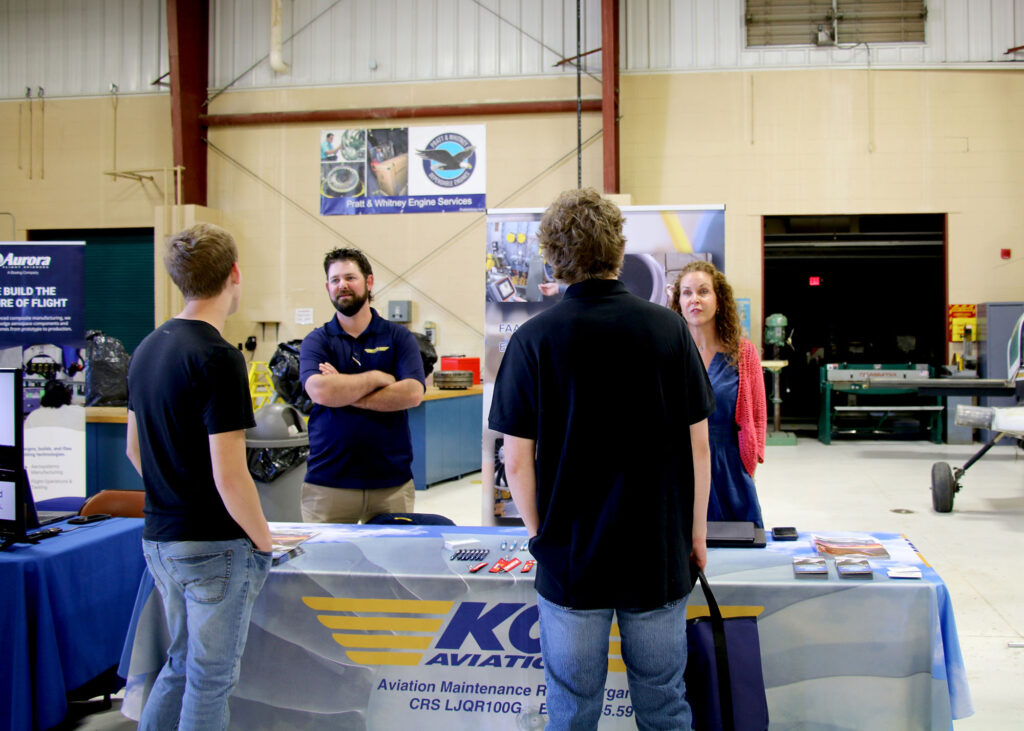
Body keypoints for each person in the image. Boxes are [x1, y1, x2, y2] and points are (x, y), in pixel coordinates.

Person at [488, 188, 714, 730]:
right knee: (663, 702)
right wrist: (696, 534)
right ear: (618, 250)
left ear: (554, 257)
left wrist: (542, 534)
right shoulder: (668, 330)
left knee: (571, 708)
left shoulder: (532, 340)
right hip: (657, 553)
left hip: (571, 559)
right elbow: (699, 445)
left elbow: (515, 461)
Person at [125, 223, 273, 730]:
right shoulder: (218, 357)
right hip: (212, 546)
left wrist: (173, 492)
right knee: (211, 677)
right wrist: (264, 542)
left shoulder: (147, 348)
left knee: (181, 662)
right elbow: (231, 476)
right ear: (234, 274)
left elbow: (133, 448)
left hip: (159, 538)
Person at [299, 248, 425, 523]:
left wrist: (341, 391)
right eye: (334, 280)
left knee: (394, 564)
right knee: (325, 565)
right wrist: (378, 379)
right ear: (327, 287)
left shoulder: (399, 337)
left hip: (391, 484)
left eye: (350, 277)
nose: (342, 285)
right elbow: (320, 391)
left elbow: (412, 393)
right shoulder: (316, 341)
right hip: (328, 485)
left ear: (368, 282)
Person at [670, 260, 768, 527]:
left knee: (735, 554)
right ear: (678, 302)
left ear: (719, 300)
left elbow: (758, 416)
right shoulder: (668, 353)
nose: (695, 300)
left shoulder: (744, 353)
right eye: (687, 293)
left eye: (703, 292)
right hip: (680, 468)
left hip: (729, 469)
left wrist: (749, 463)